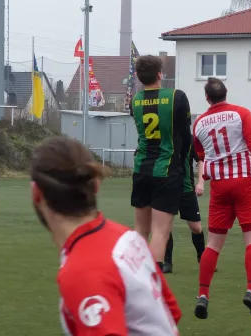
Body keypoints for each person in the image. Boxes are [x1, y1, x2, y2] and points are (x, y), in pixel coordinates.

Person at [30, 136, 182, 335]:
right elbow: (169, 312)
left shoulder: (84, 269)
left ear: (37, 194)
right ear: (95, 186)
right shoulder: (128, 237)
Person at [192, 78, 251, 320]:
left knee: (212, 244)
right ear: (226, 93)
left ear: (207, 98)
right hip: (245, 182)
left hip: (220, 186)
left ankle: (202, 295)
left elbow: (201, 155)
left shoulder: (199, 123)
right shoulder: (241, 113)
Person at [129, 55, 192, 269]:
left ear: (138, 76)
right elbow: (186, 138)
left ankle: (133, 273)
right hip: (166, 170)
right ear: (160, 75)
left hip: (141, 169)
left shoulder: (135, 100)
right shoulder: (177, 97)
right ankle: (152, 280)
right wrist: (181, 165)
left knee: (140, 229)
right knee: (160, 231)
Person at [163, 145, 206, 274]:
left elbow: (200, 160)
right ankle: (167, 262)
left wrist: (200, 182)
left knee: (196, 228)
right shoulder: (164, 137)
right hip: (167, 190)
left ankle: (203, 258)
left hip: (187, 190)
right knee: (165, 227)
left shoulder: (189, 139)